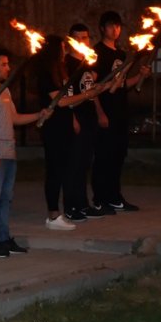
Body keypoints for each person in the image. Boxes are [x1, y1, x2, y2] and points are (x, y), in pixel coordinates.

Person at [0, 47, 50, 257]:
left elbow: (14, 119)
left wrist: (38, 114)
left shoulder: (4, 91)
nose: (8, 68)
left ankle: (3, 239)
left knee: (6, 199)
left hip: (9, 153)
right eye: (4, 64)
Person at [33, 35, 101, 231]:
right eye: (62, 48)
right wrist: (87, 94)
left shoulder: (60, 72)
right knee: (55, 170)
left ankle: (60, 212)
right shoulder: (46, 74)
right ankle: (53, 215)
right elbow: (60, 101)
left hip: (64, 125)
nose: (65, 51)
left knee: (65, 170)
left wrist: (92, 93)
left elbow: (70, 101)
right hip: (53, 128)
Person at [91, 11, 149, 213]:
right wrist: (99, 113)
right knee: (103, 156)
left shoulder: (122, 55)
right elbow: (92, 86)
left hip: (120, 112)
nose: (115, 30)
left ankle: (115, 196)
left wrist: (140, 76)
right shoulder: (96, 53)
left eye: (117, 26)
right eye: (110, 26)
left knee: (117, 156)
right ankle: (100, 198)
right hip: (104, 112)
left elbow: (123, 84)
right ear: (102, 28)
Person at [63, 23, 108, 221]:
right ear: (71, 40)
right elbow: (66, 95)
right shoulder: (66, 64)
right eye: (79, 38)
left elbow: (92, 92)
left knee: (84, 163)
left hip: (89, 118)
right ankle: (71, 206)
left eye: (86, 37)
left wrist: (100, 112)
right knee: (74, 163)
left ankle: (83, 204)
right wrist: (72, 119)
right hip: (76, 118)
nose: (84, 41)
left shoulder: (88, 63)